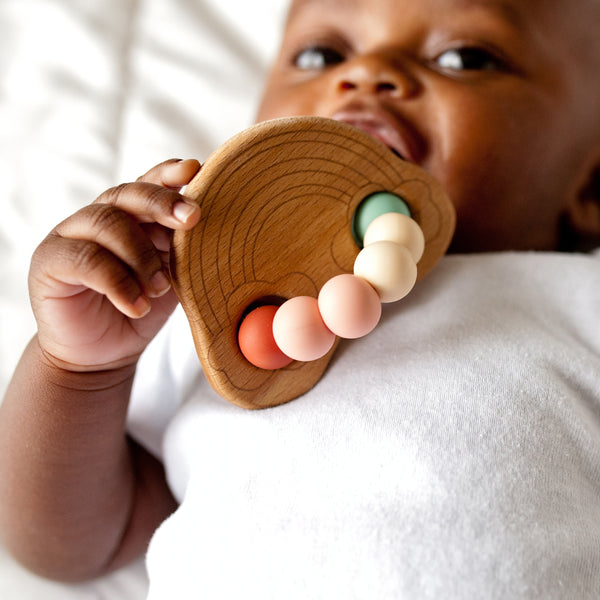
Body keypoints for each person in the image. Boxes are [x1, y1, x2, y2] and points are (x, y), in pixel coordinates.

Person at [1, 0, 599, 597]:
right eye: (321, 54)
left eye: (465, 57)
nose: (367, 73)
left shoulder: (574, 297)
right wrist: (79, 369)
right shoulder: (200, 304)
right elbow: (79, 545)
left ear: (591, 188)